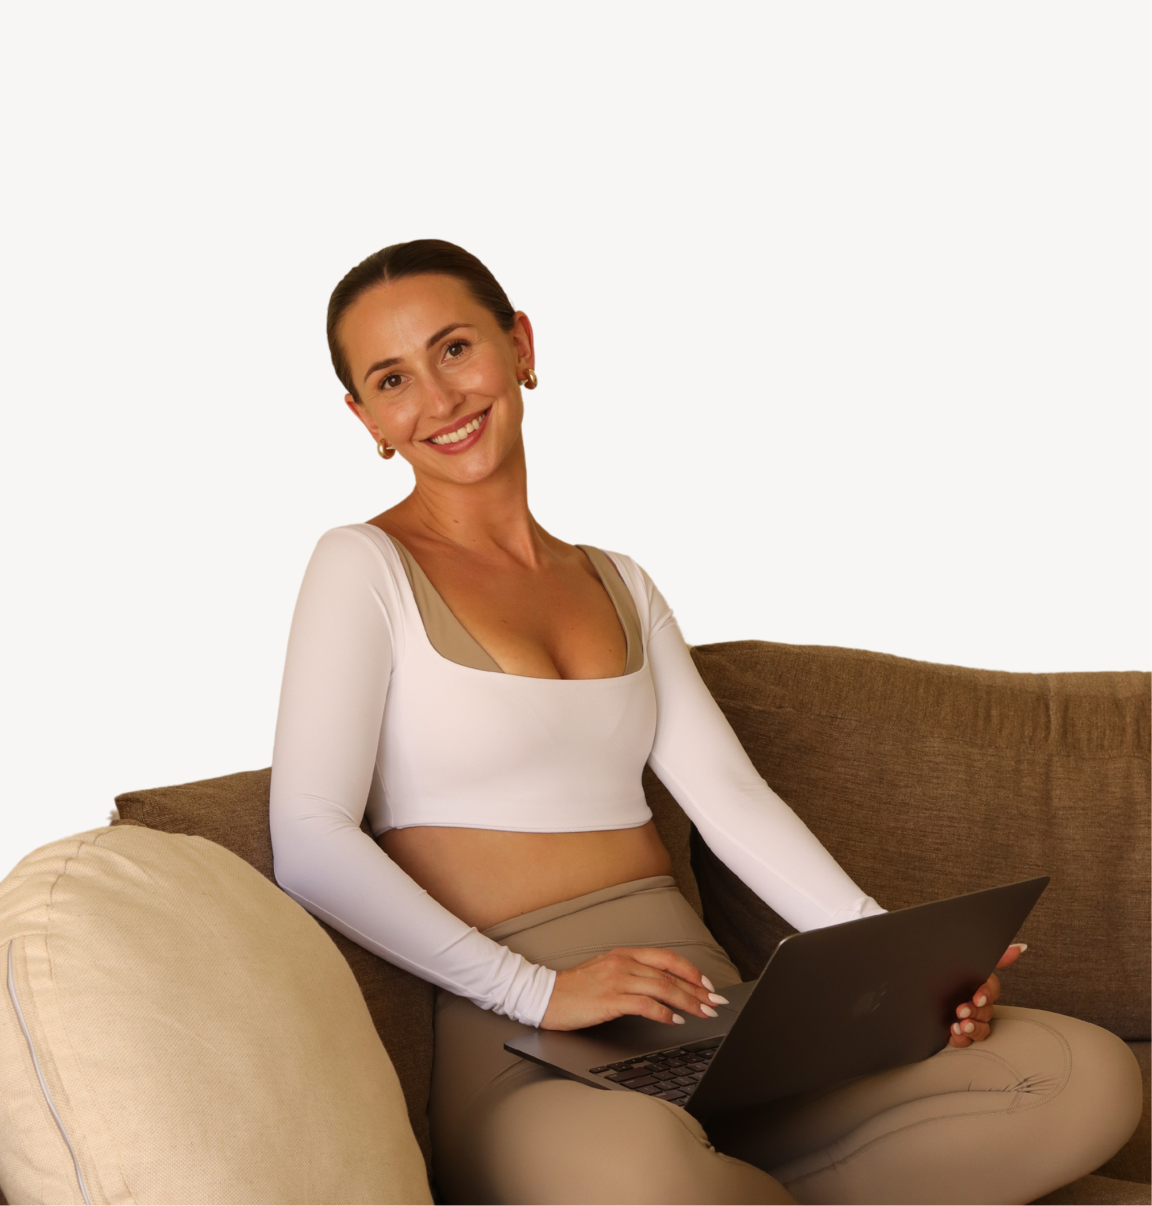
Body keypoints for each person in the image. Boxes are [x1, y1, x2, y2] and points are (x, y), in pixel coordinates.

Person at [270, 240, 1140, 1205]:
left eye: (455, 349)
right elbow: (308, 837)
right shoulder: (361, 567)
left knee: (1082, 1073)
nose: (439, 399)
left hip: (722, 1026)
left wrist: (909, 970)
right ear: (365, 418)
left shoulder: (621, 582)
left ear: (520, 346)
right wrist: (540, 990)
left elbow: (730, 799)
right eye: (392, 379)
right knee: (645, 1178)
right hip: (527, 1049)